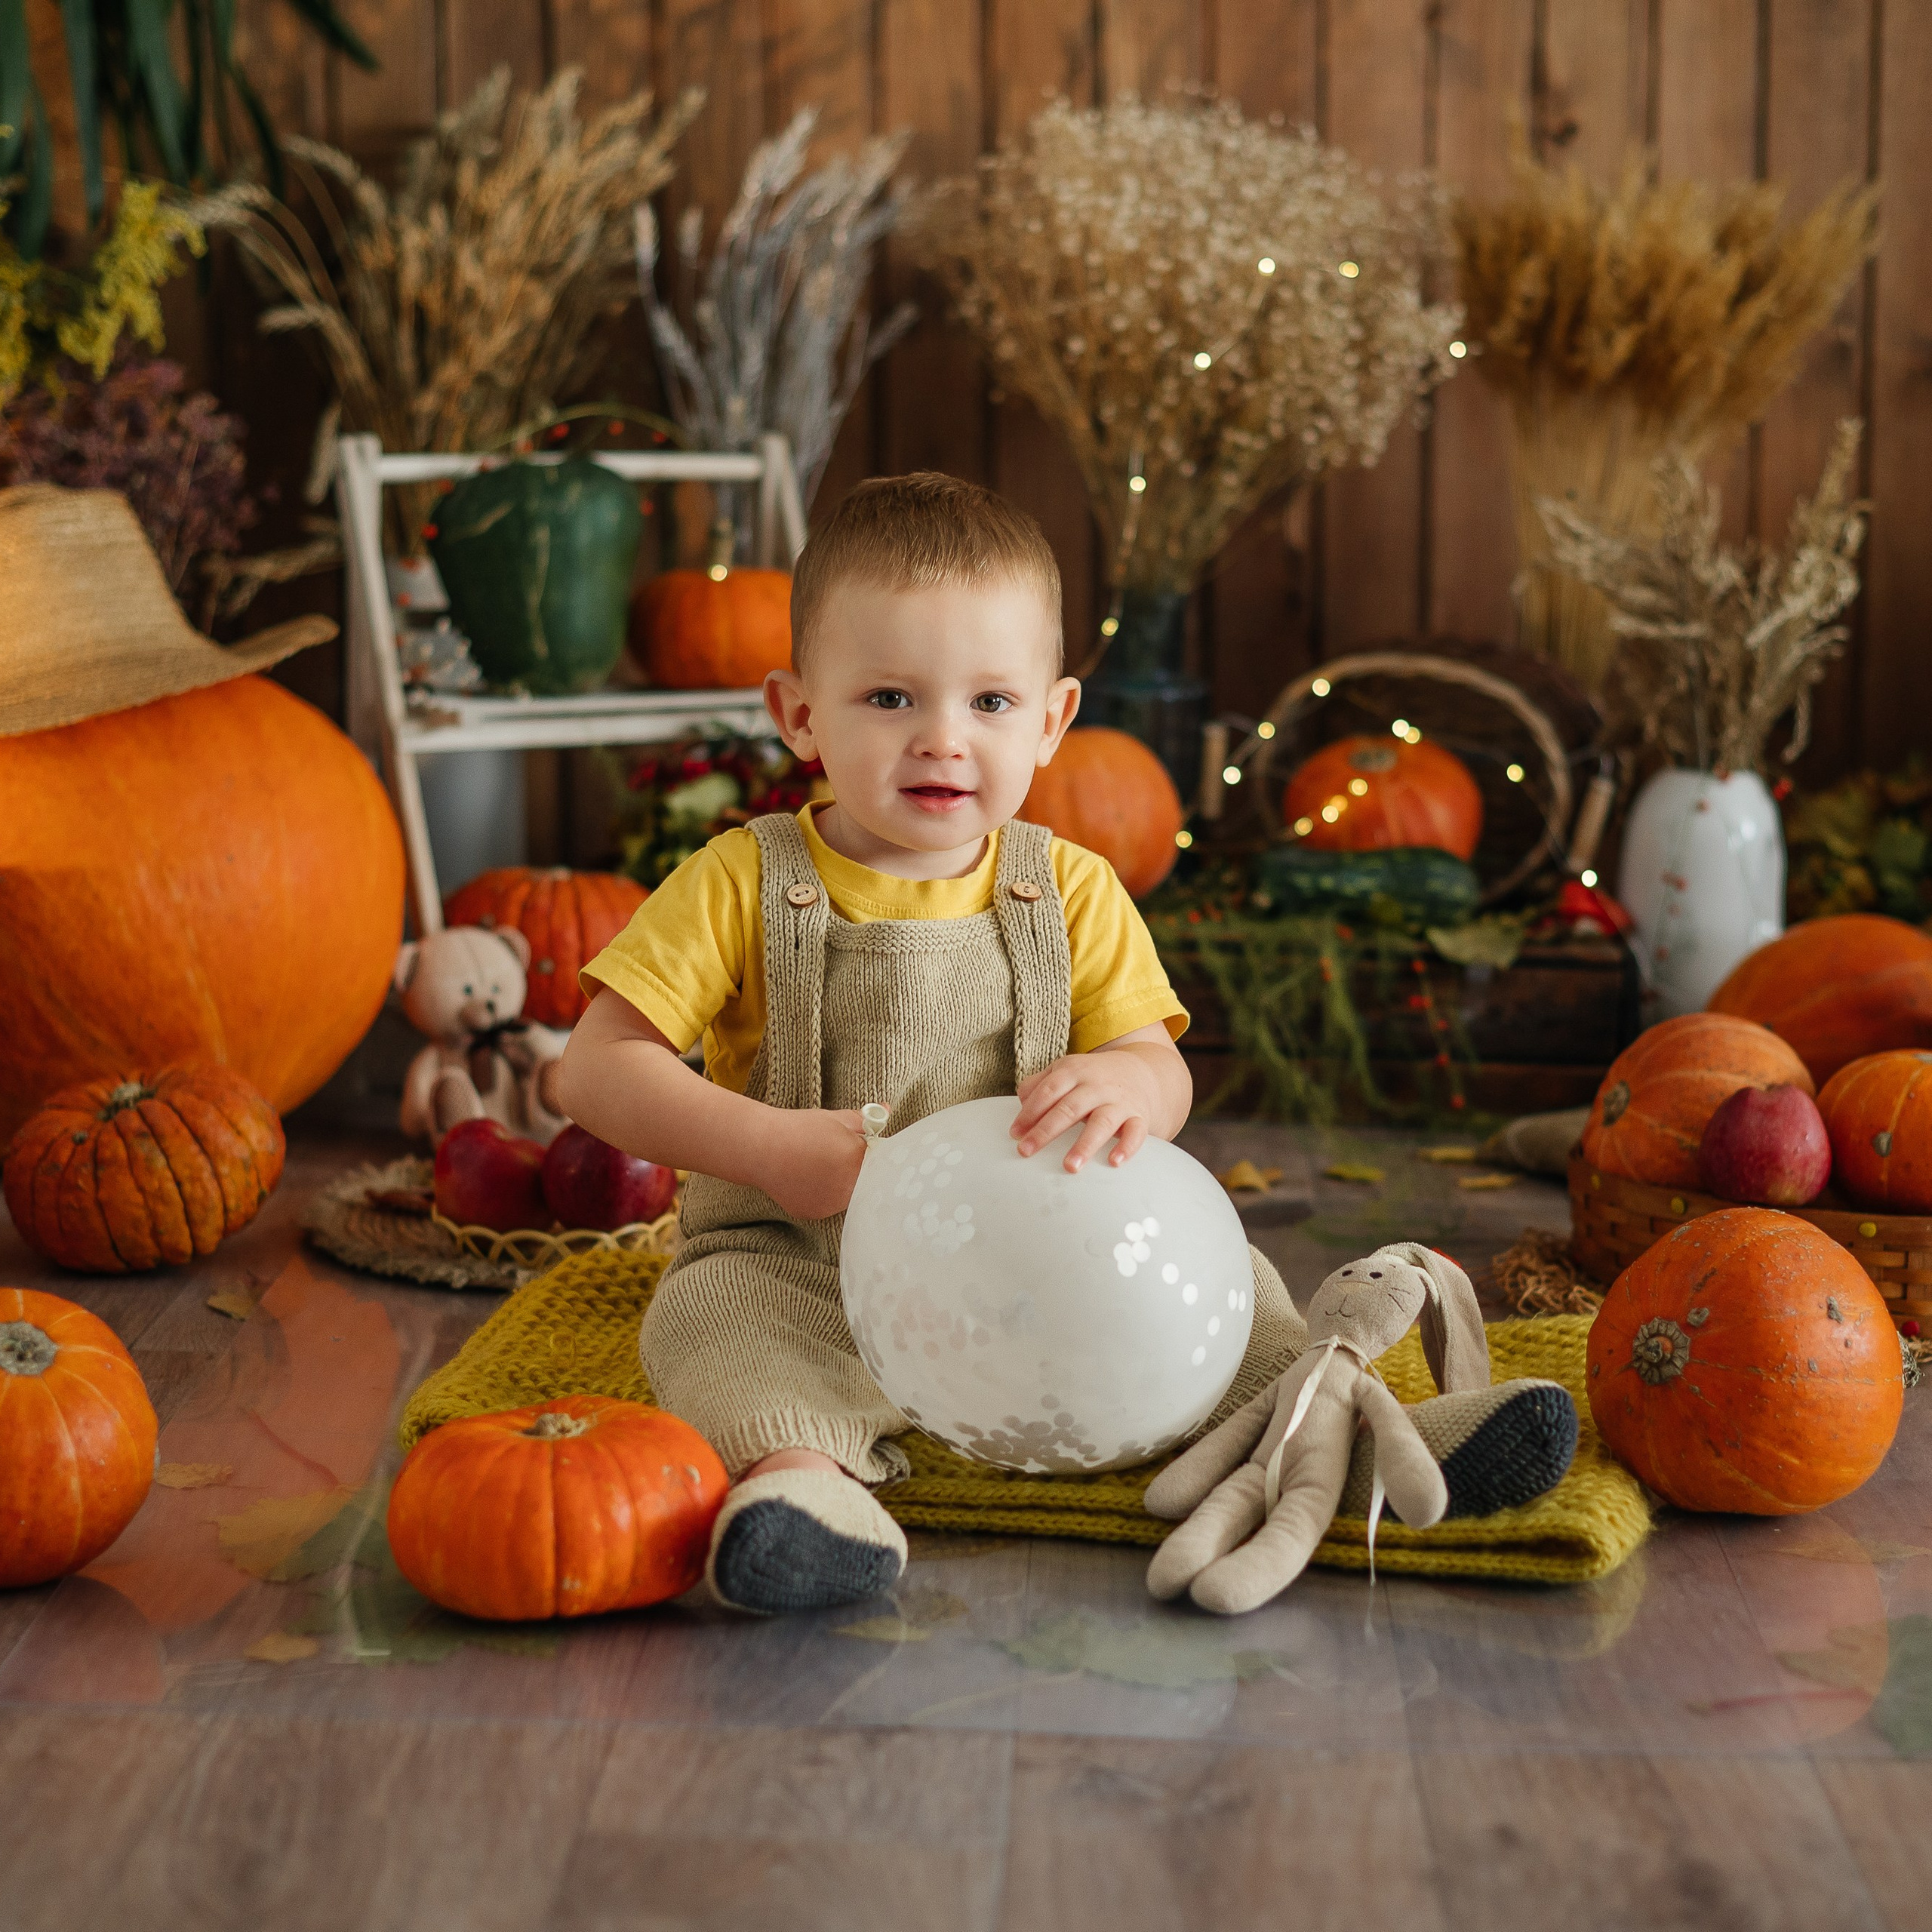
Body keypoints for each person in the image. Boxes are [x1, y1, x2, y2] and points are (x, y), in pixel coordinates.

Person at [555, 472, 1563, 1616]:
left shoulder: (1069, 891)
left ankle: (1365, 1434)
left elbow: (1162, 1070)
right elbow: (595, 1068)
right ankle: (804, 1495)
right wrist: (767, 1147)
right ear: (799, 715)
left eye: (990, 701)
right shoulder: (740, 881)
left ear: (1051, 720)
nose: (942, 739)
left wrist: (1130, 1080)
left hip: (1049, 1269)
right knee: (714, 1329)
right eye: (889, 697)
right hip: (801, 1262)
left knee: (1236, 1297)